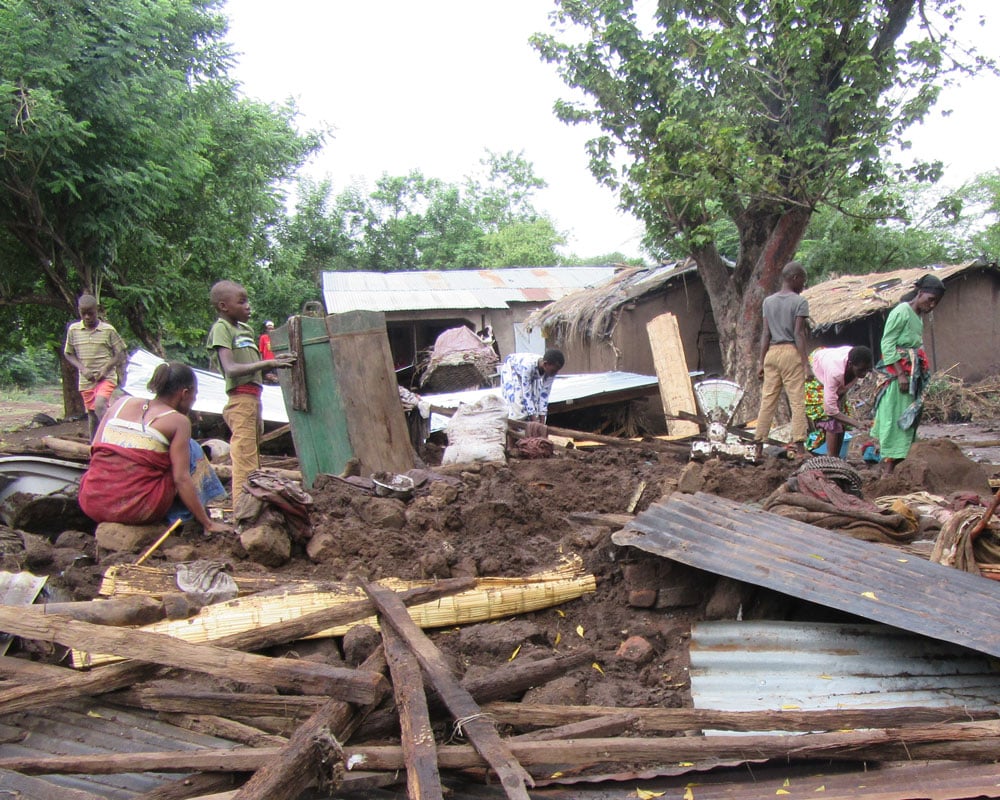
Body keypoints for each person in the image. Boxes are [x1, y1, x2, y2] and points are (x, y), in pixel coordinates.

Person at [78, 362, 230, 533]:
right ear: (184, 393)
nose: (194, 402)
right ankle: (183, 519)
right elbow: (181, 478)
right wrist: (207, 524)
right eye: (194, 395)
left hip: (92, 501)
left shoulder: (120, 402)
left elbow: (95, 450)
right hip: (137, 509)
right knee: (193, 448)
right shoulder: (178, 421)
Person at [207, 280, 295, 511]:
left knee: (253, 458)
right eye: (242, 301)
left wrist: (270, 363)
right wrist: (268, 363)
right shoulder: (222, 328)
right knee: (244, 460)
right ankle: (241, 513)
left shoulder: (244, 330)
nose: (248, 306)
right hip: (241, 399)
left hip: (255, 398)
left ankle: (252, 507)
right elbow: (230, 368)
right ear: (224, 306)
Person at [870, 274, 946, 474]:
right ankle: (887, 469)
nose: (932, 305)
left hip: (912, 376)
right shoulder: (902, 311)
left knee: (908, 418)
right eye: (930, 300)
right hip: (899, 378)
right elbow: (887, 343)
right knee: (896, 417)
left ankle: (895, 465)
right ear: (920, 293)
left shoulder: (917, 317)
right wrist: (900, 374)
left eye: (935, 303)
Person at [754, 261, 810, 460]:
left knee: (767, 400)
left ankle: (758, 447)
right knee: (796, 400)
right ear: (795, 278)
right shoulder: (799, 302)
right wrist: (805, 364)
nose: (804, 284)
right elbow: (799, 334)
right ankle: (800, 447)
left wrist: (761, 362)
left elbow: (765, 334)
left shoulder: (768, 302)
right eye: (803, 279)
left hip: (771, 353)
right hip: (790, 352)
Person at [63, 294, 128, 441]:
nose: (87, 317)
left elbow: (120, 353)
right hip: (87, 380)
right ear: (79, 311)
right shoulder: (73, 330)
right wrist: (82, 369)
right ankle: (95, 445)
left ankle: (114, 439)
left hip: (106, 377)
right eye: (83, 313)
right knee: (92, 415)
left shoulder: (108, 330)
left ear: (97, 310)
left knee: (100, 405)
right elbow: (68, 354)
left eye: (90, 313)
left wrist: (106, 368)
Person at [804, 345, 873, 459]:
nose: (864, 374)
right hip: (816, 368)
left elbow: (841, 393)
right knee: (831, 419)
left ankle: (838, 457)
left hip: (829, 360)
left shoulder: (857, 358)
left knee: (841, 415)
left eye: (867, 369)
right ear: (851, 365)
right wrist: (857, 424)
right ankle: (832, 458)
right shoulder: (835, 372)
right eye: (861, 370)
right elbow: (830, 410)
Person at [499, 349, 564, 422]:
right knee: (518, 405)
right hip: (512, 368)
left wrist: (542, 423)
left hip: (530, 374)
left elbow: (544, 396)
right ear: (545, 364)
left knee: (535, 401)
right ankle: (518, 426)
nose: (555, 373)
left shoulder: (551, 370)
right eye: (553, 371)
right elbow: (527, 394)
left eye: (557, 371)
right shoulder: (528, 366)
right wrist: (534, 423)